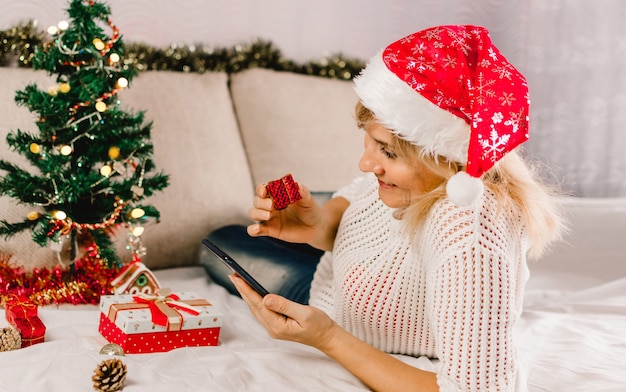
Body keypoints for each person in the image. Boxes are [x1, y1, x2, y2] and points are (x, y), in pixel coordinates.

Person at [229, 25, 566, 392]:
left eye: (387, 151)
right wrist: (317, 224)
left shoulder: (469, 237)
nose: (365, 163)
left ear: (445, 158)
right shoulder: (412, 185)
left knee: (224, 243)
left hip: (327, 302)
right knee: (222, 239)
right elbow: (359, 198)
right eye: (370, 142)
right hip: (334, 280)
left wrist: (327, 338)